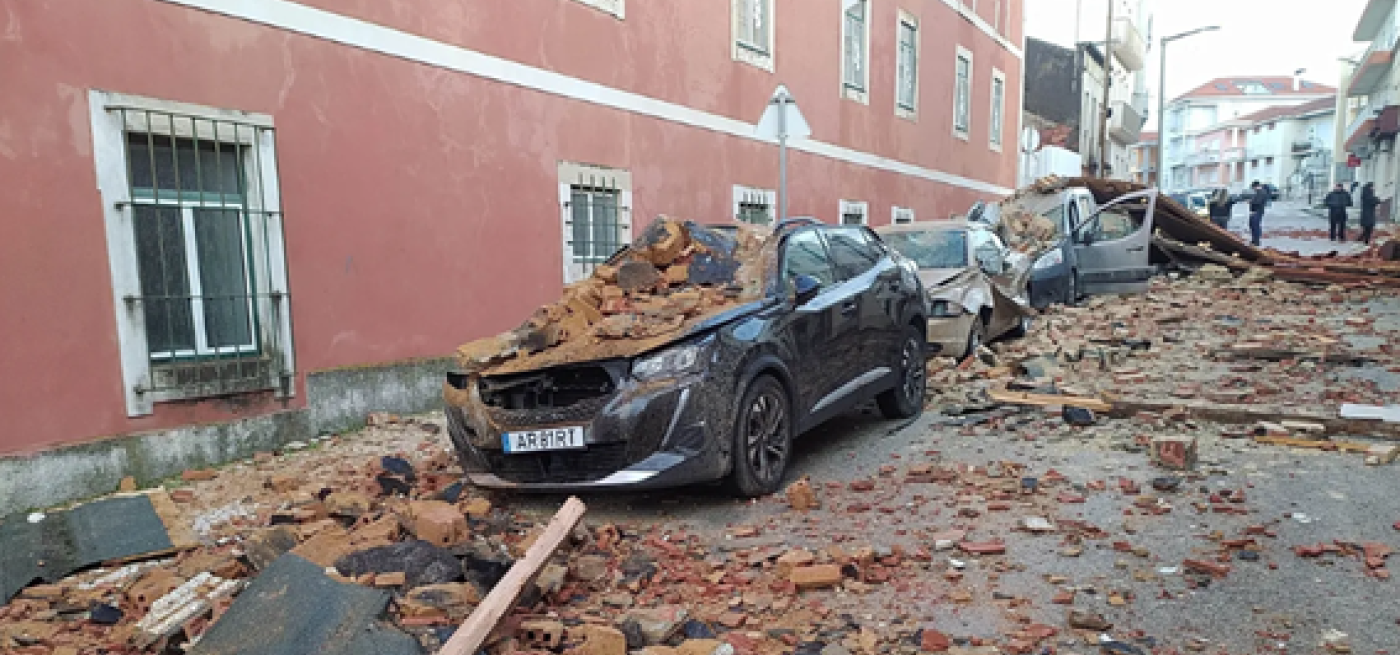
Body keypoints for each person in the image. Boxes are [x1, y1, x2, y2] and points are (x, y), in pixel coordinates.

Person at [1247, 181, 1270, 246]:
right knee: (1253, 225)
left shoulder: (1261, 192)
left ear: (1255, 186)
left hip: (1257, 211)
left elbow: (1258, 202)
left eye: (1253, 187)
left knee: (1255, 226)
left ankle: (1256, 241)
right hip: (1256, 211)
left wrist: (1251, 201)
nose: (1253, 189)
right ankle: (1254, 240)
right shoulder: (1260, 192)